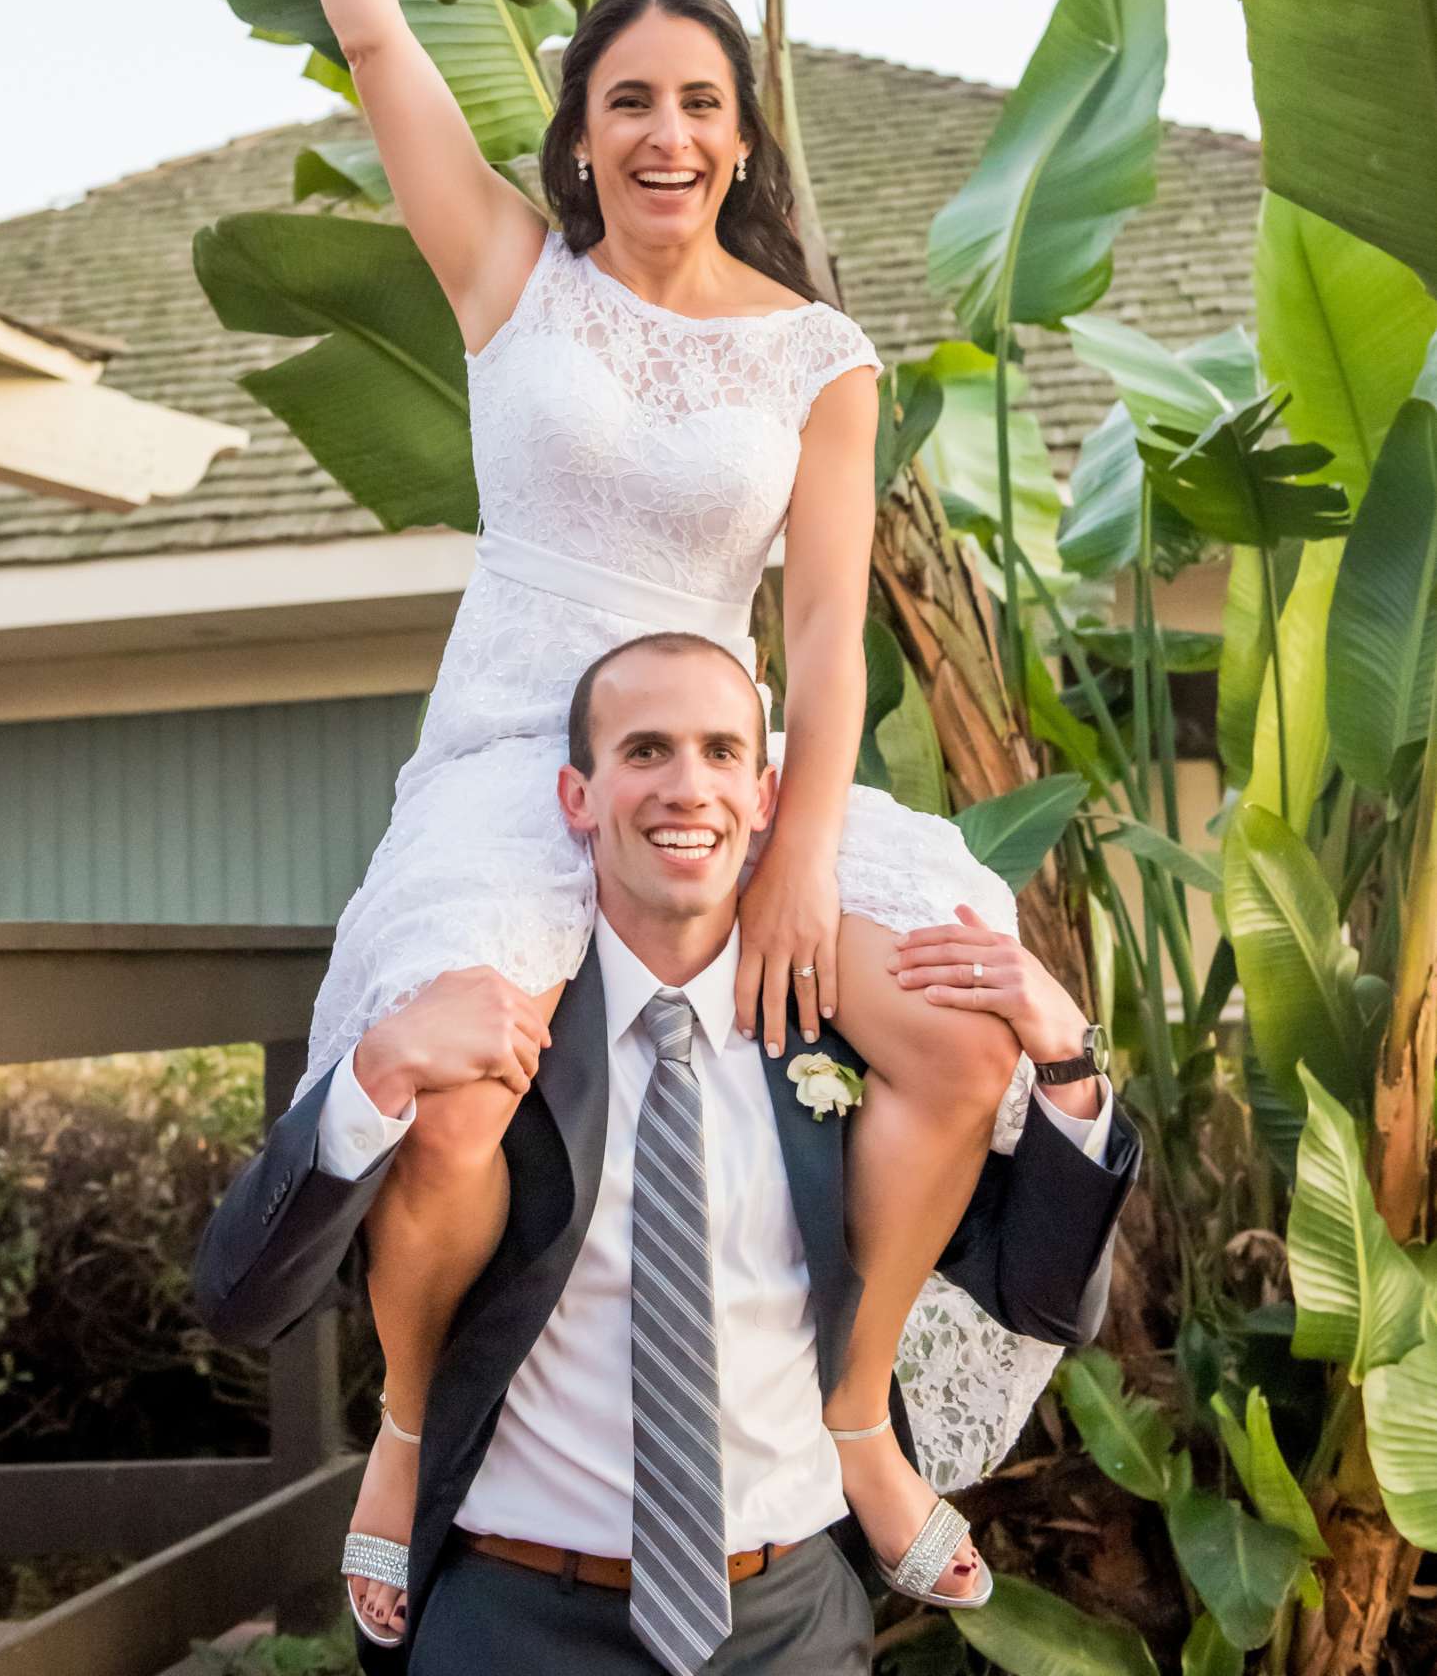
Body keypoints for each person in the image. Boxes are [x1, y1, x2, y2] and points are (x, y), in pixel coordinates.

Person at [238, 0, 1110, 1643]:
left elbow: (823, 625)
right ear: (579, 133)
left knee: (967, 1033)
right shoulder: (507, 283)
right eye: (628, 98)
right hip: (515, 762)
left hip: (728, 778)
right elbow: (370, 28)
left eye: (699, 103)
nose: (665, 131)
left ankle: (857, 1414)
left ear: (735, 141)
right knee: (454, 1092)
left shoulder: (817, 357)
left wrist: (805, 836)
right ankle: (400, 1431)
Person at [194, 636, 1138, 1673]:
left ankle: (861, 1440)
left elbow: (1050, 1306)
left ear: (767, 794)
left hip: (790, 1622)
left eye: (720, 753)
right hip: (512, 1620)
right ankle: (404, 1443)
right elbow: (242, 1301)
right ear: (577, 796)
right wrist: (372, 1074)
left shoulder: (850, 1048)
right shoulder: (487, 1053)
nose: (687, 788)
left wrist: (1068, 1067)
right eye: (645, 752)